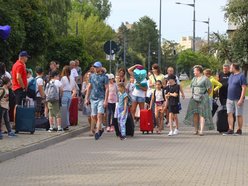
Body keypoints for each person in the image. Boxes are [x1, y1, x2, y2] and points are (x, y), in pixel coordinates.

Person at [184, 65, 214, 136]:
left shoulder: (205, 79)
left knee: (202, 113)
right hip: (194, 98)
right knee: (195, 113)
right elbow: (192, 88)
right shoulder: (194, 79)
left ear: (198, 71)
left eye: (194, 71)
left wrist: (205, 95)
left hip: (203, 98)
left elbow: (210, 89)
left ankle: (201, 130)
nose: (194, 72)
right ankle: (196, 129)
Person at [85, 61, 109, 140]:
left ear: (100, 68)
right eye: (94, 67)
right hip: (93, 98)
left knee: (99, 115)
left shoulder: (104, 77)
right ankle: (101, 126)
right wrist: (86, 98)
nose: (95, 68)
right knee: (93, 116)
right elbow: (89, 87)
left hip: (101, 98)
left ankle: (97, 132)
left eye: (96, 67)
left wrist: (106, 100)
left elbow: (107, 89)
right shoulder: (92, 76)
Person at [224, 63, 246, 135]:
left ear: (234, 68)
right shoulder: (231, 75)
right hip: (229, 98)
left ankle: (239, 130)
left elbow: (244, 88)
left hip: (238, 99)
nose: (229, 68)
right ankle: (230, 129)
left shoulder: (241, 76)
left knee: (238, 114)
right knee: (229, 113)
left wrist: (241, 99)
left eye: (230, 67)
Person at [82, 71, 93, 135]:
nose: (89, 77)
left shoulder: (94, 83)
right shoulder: (84, 83)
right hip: (87, 100)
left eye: (90, 76)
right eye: (88, 76)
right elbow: (83, 92)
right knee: (89, 116)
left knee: (93, 115)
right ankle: (91, 126)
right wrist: (87, 88)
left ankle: (92, 128)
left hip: (93, 100)